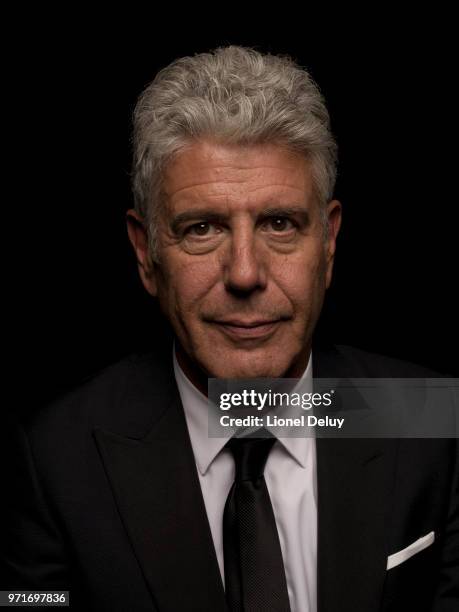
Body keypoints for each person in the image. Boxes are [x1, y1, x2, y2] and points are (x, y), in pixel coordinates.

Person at [2, 46, 458, 612]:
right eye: (202, 228)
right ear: (146, 253)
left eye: (280, 223)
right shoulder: (55, 461)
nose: (245, 273)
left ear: (330, 242)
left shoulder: (429, 423)